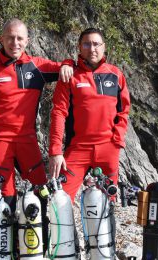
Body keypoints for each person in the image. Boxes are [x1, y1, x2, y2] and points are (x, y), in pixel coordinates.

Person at [0, 18, 72, 254]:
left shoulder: (36, 66)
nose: (15, 42)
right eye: (10, 37)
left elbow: (66, 67)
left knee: (42, 192)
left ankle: (39, 247)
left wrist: (66, 63)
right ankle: (6, 249)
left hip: (27, 141)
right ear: (1, 39)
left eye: (19, 38)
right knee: (6, 198)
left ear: (27, 41)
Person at [49, 27, 130, 202]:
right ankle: (66, 231)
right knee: (60, 199)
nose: (92, 49)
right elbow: (59, 113)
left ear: (104, 46)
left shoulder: (115, 74)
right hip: (78, 148)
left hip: (108, 148)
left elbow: (124, 110)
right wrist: (55, 150)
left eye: (96, 44)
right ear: (79, 47)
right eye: (86, 44)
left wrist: (117, 139)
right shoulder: (70, 75)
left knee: (108, 202)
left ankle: (106, 230)